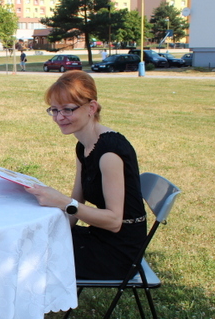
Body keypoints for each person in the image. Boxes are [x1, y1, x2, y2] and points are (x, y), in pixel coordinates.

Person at [25, 71, 146, 280]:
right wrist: (53, 228)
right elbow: (76, 202)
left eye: (68, 109)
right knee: (28, 241)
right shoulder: (84, 146)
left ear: (91, 108)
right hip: (100, 236)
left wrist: (62, 202)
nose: (59, 117)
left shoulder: (110, 153)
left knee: (26, 256)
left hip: (118, 253)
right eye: (54, 110)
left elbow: (114, 221)